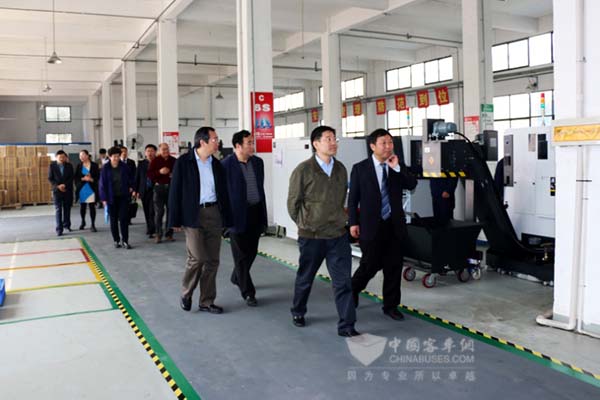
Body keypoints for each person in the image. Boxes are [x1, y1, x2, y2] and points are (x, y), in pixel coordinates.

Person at [287, 126, 358, 337]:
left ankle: (347, 325)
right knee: (305, 278)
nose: (333, 143)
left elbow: (342, 199)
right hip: (312, 236)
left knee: (343, 282)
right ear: (316, 144)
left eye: (335, 139)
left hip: (337, 235)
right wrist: (306, 223)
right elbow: (293, 203)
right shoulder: (303, 170)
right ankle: (298, 311)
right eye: (328, 139)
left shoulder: (341, 169)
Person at [349, 129, 417, 321]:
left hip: (394, 225)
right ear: (372, 146)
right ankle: (352, 290)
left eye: (390, 143)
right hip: (371, 225)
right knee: (369, 265)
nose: (388, 147)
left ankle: (391, 306)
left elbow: (411, 184)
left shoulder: (397, 166)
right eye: (383, 143)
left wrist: (397, 168)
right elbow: (353, 199)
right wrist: (353, 222)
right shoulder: (360, 168)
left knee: (393, 267)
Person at [168, 127, 231, 314]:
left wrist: (227, 218)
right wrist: (174, 219)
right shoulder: (183, 162)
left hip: (214, 213)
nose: (217, 142)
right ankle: (186, 292)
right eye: (214, 139)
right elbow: (175, 191)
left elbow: (224, 193)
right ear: (202, 142)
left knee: (212, 260)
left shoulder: (217, 165)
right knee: (197, 258)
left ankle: (206, 301)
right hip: (192, 214)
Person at [221, 130, 268, 307]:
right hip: (236, 216)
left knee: (252, 251)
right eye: (249, 143)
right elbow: (221, 195)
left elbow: (260, 188)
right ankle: (248, 292)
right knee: (240, 255)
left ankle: (237, 276)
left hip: (255, 212)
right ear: (238, 146)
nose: (252, 146)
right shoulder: (225, 165)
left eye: (252, 142)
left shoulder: (258, 163)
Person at [99, 146, 135, 249]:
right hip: (111, 198)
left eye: (118, 156)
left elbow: (131, 178)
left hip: (123, 196)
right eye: (114, 156)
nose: (116, 158)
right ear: (110, 157)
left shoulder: (124, 167)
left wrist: (131, 187)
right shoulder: (105, 168)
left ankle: (125, 240)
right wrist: (104, 199)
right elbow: (102, 184)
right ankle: (116, 240)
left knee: (124, 219)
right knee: (113, 220)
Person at [148, 143, 176, 243]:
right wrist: (159, 172)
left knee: (171, 211)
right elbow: (150, 174)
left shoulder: (173, 160)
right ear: (159, 151)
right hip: (158, 188)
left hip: (171, 188)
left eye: (167, 149)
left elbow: (179, 173)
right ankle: (158, 234)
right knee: (159, 212)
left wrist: (173, 174)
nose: (165, 151)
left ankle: (169, 234)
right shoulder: (155, 161)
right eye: (163, 149)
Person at [48, 150, 74, 236]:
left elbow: (71, 177)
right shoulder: (52, 166)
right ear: (56, 157)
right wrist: (58, 186)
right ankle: (59, 229)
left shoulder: (69, 166)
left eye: (63, 157)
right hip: (57, 191)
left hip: (67, 190)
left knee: (67, 208)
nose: (62, 159)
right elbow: (50, 178)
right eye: (60, 157)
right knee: (58, 209)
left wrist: (64, 185)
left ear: (65, 157)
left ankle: (67, 225)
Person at [74, 150, 100, 232]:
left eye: (83, 155)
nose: (81, 157)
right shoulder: (79, 165)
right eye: (80, 156)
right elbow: (76, 178)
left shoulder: (94, 165)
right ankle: (83, 222)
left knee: (92, 207)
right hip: (82, 188)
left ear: (87, 155)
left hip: (91, 188)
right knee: (83, 207)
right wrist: (83, 178)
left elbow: (98, 177)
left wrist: (91, 179)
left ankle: (93, 224)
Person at [135, 144, 157, 238]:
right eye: (148, 151)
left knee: (152, 210)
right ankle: (149, 227)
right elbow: (137, 178)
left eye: (152, 151)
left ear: (155, 152)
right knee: (146, 210)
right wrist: (136, 190)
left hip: (155, 190)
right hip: (144, 190)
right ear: (145, 153)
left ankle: (152, 229)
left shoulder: (158, 162)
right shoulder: (141, 164)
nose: (150, 153)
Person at [120, 145, 137, 225]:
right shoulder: (117, 162)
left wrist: (133, 188)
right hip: (119, 187)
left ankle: (128, 219)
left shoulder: (131, 162)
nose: (124, 153)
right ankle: (121, 218)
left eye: (125, 151)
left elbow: (134, 175)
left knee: (129, 204)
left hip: (129, 187)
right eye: (122, 152)